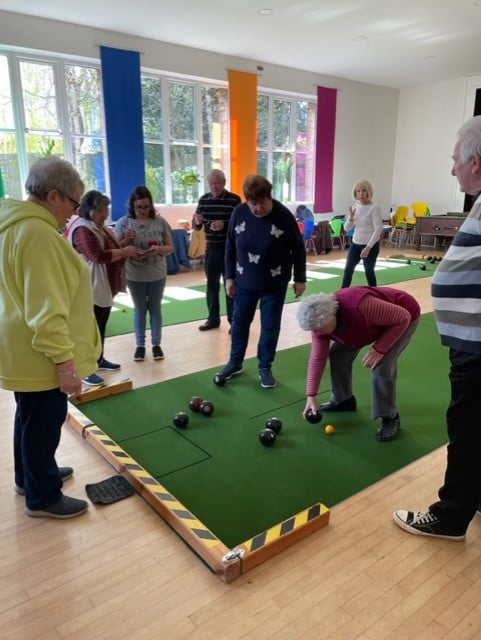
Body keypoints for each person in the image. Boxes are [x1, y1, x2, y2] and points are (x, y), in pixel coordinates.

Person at [393, 115, 481, 540]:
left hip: (478, 345)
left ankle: (450, 515)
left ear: (476, 161)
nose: (452, 169)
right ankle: (473, 496)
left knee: (465, 428)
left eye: (455, 160)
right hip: (472, 340)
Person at [0, 156, 101, 518]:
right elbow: (46, 311)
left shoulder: (12, 224)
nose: (74, 214)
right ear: (54, 196)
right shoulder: (37, 234)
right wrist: (66, 365)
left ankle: (30, 477)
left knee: (29, 418)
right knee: (44, 422)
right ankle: (43, 497)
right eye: (74, 204)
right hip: (40, 353)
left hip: (20, 347)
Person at [215, 174, 306, 388]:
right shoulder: (239, 213)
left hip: (274, 284)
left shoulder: (283, 216)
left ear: (269, 197)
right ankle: (235, 362)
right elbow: (229, 247)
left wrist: (300, 278)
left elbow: (298, 249)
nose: (256, 209)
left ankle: (265, 366)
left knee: (270, 326)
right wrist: (229, 277)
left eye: (261, 203)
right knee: (239, 324)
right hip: (244, 281)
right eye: (252, 203)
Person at [297, 286, 420, 441]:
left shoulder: (360, 307)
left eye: (321, 329)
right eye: (315, 330)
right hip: (364, 324)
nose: (318, 333)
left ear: (332, 316)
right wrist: (311, 396)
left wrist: (380, 348)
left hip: (402, 318)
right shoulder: (320, 325)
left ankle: (390, 417)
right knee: (338, 355)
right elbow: (317, 358)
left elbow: (403, 317)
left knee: (381, 366)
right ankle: (343, 400)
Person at [65, 190, 139, 385]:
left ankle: (98, 359)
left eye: (106, 209)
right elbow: (98, 256)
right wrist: (124, 251)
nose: (105, 213)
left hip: (103, 285)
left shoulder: (99, 226)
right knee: (88, 330)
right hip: (89, 287)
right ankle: (86, 369)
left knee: (100, 326)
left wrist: (124, 242)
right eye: (100, 210)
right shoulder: (82, 229)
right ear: (89, 210)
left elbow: (107, 250)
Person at [114, 186, 174, 362]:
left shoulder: (160, 222)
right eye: (139, 207)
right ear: (132, 205)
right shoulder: (123, 223)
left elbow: (170, 247)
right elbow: (116, 249)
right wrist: (125, 239)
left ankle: (156, 345)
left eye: (146, 207)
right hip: (135, 274)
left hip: (156, 273)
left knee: (155, 308)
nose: (142, 210)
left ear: (151, 206)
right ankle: (140, 346)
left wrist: (158, 249)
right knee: (140, 309)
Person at [192, 169, 241, 331]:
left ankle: (233, 321)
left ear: (224, 182)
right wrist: (198, 221)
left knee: (231, 284)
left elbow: (240, 225)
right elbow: (197, 225)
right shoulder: (204, 200)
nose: (214, 186)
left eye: (217, 183)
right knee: (211, 285)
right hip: (211, 249)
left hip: (229, 250)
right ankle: (213, 319)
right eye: (211, 183)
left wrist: (224, 225)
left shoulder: (234, 200)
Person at [341, 179, 384, 288]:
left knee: (369, 271)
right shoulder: (355, 207)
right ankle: (342, 294)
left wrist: (368, 247)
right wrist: (350, 218)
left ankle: (375, 294)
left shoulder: (374, 207)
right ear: (355, 193)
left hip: (370, 245)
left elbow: (378, 229)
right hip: (356, 244)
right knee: (348, 270)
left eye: (364, 190)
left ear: (369, 192)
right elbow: (346, 228)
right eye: (358, 191)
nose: (361, 193)